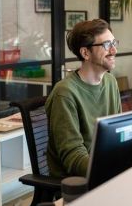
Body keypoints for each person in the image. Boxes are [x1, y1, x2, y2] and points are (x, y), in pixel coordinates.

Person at [46, 19, 122, 177]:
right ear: (85, 53)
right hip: (79, 180)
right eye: (107, 45)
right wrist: (109, 170)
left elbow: (118, 131)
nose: (114, 50)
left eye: (114, 43)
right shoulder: (65, 93)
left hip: (106, 169)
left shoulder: (110, 82)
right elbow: (74, 156)